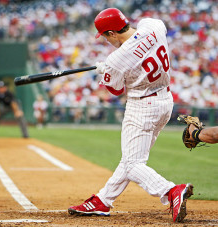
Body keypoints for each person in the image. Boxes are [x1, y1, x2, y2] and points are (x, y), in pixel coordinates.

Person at [68, 8, 193, 222]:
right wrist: (111, 66)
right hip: (165, 101)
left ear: (111, 33)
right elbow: (143, 41)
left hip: (142, 106)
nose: (107, 41)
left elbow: (116, 90)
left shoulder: (116, 59)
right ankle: (103, 200)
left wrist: (107, 69)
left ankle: (171, 191)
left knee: (133, 164)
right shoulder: (151, 25)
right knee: (130, 158)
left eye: (106, 36)